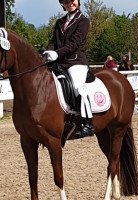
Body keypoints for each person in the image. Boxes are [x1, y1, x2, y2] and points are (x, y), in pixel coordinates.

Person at [43, 0, 93, 138]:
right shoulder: (59, 22)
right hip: (59, 62)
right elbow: (53, 41)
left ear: (77, 1)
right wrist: (48, 51)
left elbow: (75, 43)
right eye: (65, 2)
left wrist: (57, 53)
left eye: (72, 1)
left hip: (75, 61)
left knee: (78, 87)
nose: (69, 3)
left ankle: (87, 124)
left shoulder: (83, 21)